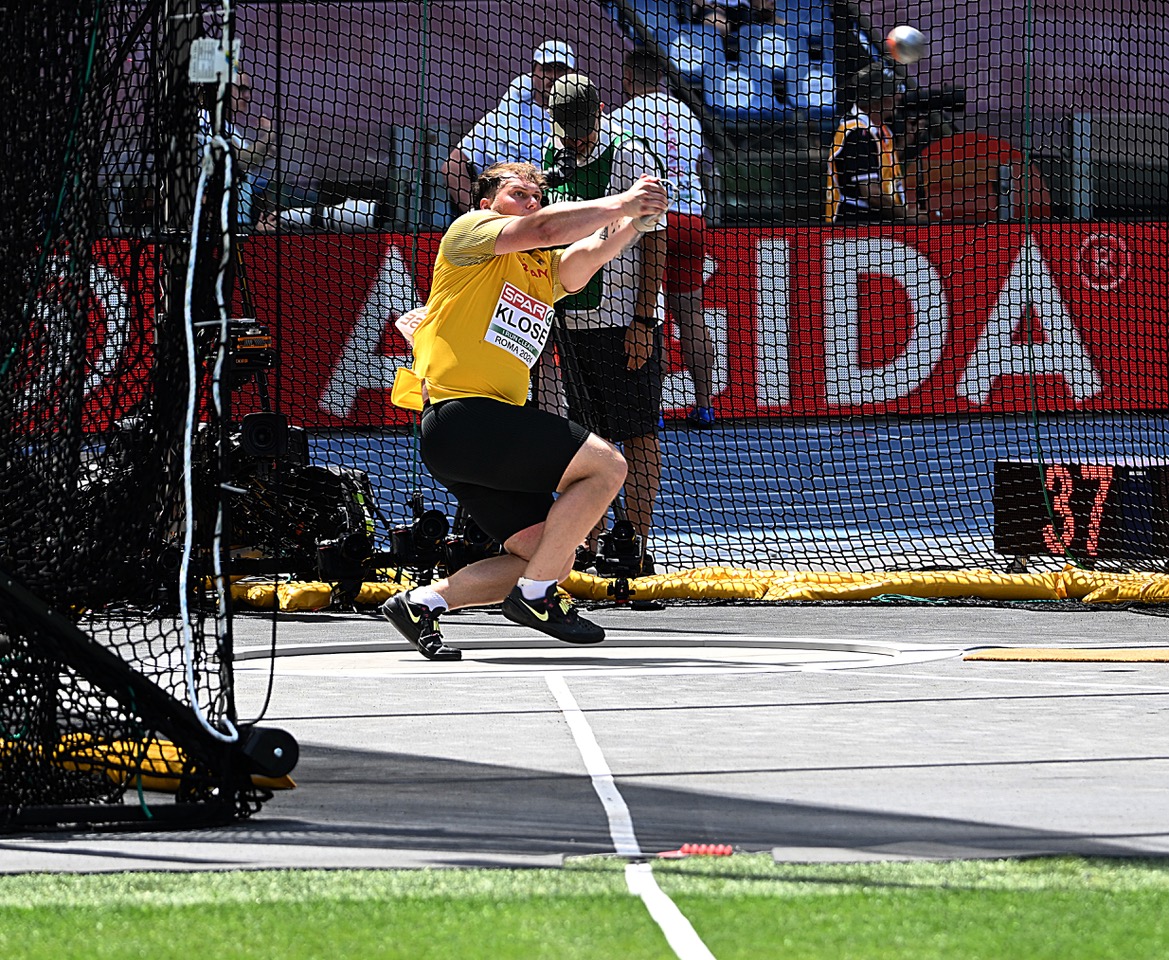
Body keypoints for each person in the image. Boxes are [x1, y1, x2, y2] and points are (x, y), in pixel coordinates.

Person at [382, 161, 668, 661]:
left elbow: (584, 257)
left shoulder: (537, 267)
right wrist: (623, 201)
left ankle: (423, 603)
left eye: (537, 196)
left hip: (472, 440)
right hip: (464, 417)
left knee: (549, 556)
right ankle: (536, 599)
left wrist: (633, 224)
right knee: (607, 466)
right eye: (519, 193)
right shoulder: (470, 232)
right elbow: (548, 229)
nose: (531, 201)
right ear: (486, 203)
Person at [541, 73, 667, 571]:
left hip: (620, 320)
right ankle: (586, 543)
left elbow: (655, 238)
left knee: (636, 433)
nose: (575, 140)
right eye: (566, 130)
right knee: (583, 438)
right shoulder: (551, 158)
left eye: (581, 129)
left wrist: (644, 320)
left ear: (598, 113)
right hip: (568, 323)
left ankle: (634, 541)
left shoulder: (630, 155)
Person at [609, 49, 716, 429]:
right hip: (692, 219)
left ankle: (651, 408)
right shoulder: (687, 114)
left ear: (628, 79)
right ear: (660, 78)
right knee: (691, 315)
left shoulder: (621, 118)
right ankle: (705, 406)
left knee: (645, 315)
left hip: (652, 223)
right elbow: (702, 165)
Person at [439, 40, 577, 215]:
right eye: (546, 69)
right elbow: (452, 166)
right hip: (508, 219)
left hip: (561, 217)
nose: (553, 76)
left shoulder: (582, 119)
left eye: (560, 70)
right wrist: (476, 215)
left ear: (572, 74)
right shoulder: (504, 115)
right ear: (534, 73)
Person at [825, 65, 926, 224]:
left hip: (873, 225)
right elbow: (871, 194)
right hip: (856, 227)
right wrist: (907, 216)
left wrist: (906, 142)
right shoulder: (857, 134)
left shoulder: (878, 129)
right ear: (875, 101)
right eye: (892, 92)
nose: (898, 97)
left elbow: (880, 164)